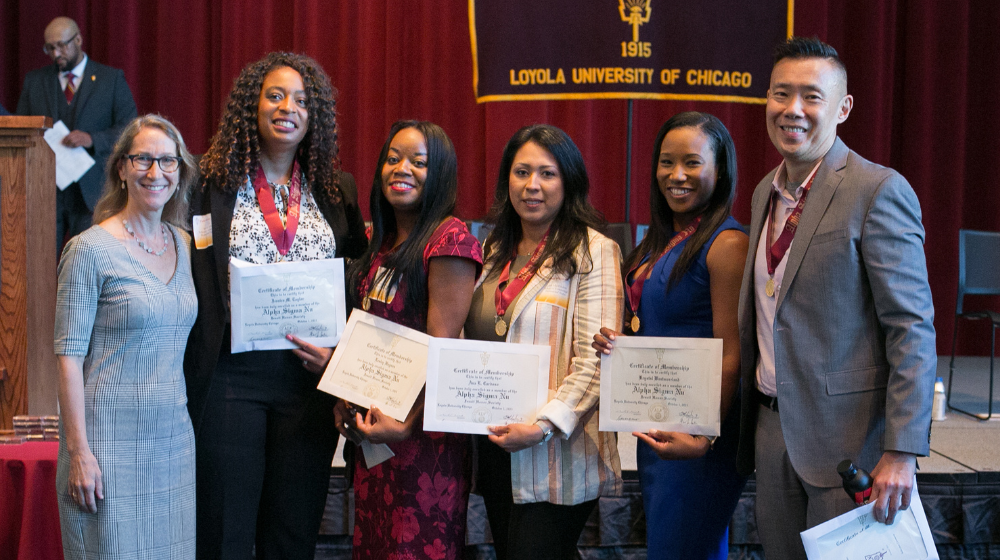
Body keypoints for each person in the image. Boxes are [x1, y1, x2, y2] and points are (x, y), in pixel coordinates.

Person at [735, 37, 937, 559]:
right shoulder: (763, 192)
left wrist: (902, 451)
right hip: (772, 429)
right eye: (781, 94)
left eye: (811, 96)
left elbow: (911, 327)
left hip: (852, 443)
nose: (792, 110)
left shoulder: (877, 190)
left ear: (843, 107)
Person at [183, 52, 367, 560]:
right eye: (276, 95)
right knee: (226, 529)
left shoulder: (336, 188)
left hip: (306, 380)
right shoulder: (209, 183)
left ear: (316, 116)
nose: (289, 107)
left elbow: (355, 280)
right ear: (252, 105)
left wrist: (343, 361)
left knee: (292, 529)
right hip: (231, 375)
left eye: (303, 100)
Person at [592, 112, 748, 560]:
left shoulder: (727, 244)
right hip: (661, 426)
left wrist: (703, 437)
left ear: (720, 172)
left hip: (698, 441)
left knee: (685, 549)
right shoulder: (659, 241)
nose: (676, 175)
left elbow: (731, 355)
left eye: (692, 163)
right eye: (666, 162)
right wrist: (616, 341)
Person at [465, 124, 623, 560]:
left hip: (556, 450)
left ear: (568, 181)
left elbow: (597, 361)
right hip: (495, 447)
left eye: (547, 173)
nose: (532, 185)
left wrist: (541, 427)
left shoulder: (595, 252)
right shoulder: (492, 249)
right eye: (521, 172)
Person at [54, 114, 198, 559]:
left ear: (180, 171)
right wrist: (78, 451)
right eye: (143, 160)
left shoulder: (188, 245)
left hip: (173, 445)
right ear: (121, 168)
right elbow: (67, 356)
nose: (156, 173)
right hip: (106, 447)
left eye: (167, 162)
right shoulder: (89, 249)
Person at [337, 120, 482, 559]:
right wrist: (343, 397)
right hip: (375, 439)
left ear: (439, 174)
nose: (403, 169)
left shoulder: (449, 239)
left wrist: (407, 422)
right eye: (393, 158)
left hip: (422, 445)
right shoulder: (377, 241)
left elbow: (443, 350)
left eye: (419, 162)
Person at [17, 16, 137, 254]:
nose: (56, 53)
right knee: (39, 260)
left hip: (91, 193)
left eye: (62, 45)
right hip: (45, 190)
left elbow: (130, 129)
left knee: (87, 260)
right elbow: (21, 128)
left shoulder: (110, 79)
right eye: (50, 48)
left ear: (79, 39)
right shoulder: (35, 82)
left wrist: (93, 139)